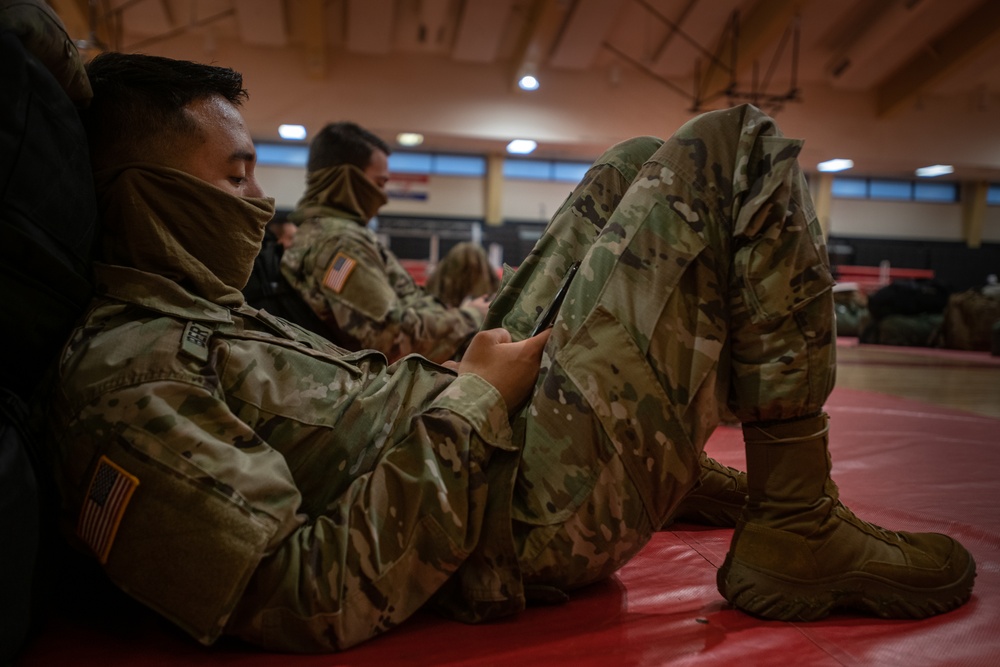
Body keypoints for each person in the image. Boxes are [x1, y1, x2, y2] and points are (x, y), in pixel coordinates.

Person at [45, 52, 976, 654]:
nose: (260, 203)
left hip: (475, 436)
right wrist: (473, 404)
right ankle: (795, 525)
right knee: (732, 147)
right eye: (234, 175)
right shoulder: (131, 380)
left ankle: (676, 464)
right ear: (149, 195)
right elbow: (307, 592)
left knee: (633, 161)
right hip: (512, 510)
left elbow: (352, 415)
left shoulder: (194, 317)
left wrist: (463, 388)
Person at [281, 121, 491, 362]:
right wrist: (471, 316)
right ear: (348, 180)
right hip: (414, 363)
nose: (383, 197)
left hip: (423, 322)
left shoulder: (328, 232)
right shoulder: (341, 245)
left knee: (468, 256)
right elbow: (393, 341)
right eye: (379, 183)